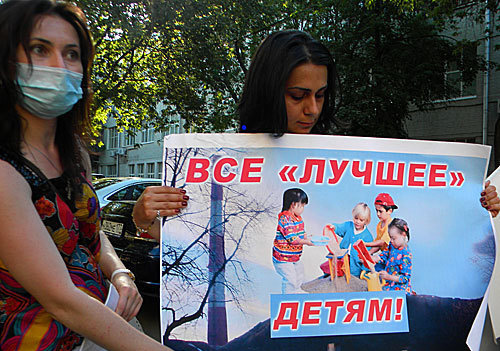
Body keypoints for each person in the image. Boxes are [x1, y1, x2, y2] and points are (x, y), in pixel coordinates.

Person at [0, 1, 224, 351]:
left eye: (72, 54)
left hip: (104, 340)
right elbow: (61, 299)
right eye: (40, 49)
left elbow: (88, 232)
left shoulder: (75, 154)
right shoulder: (5, 172)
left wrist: (120, 274)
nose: (60, 65)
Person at [132, 29, 500, 238]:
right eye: (297, 96)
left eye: (321, 96)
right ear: (267, 90)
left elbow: (418, 201)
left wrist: (477, 202)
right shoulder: (220, 164)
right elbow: (180, 252)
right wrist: (143, 215)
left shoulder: (346, 155)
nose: (312, 109)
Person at [273, 188, 314, 293]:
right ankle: (288, 296)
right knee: (290, 278)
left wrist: (307, 237)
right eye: (302, 206)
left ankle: (297, 290)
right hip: (282, 258)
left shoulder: (298, 218)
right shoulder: (285, 219)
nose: (303, 209)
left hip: (293, 256)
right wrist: (306, 242)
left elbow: (301, 233)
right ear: (293, 204)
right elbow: (293, 239)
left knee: (299, 272)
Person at [320, 202, 374, 277]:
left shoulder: (367, 236)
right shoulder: (349, 225)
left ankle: (341, 274)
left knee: (346, 272)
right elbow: (339, 227)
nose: (357, 222)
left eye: (361, 220)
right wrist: (334, 227)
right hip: (342, 257)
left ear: (366, 221)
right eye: (356, 218)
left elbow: (367, 256)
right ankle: (331, 275)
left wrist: (365, 271)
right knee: (327, 266)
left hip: (354, 265)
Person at [372, 218, 412, 294]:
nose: (391, 240)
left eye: (393, 238)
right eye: (390, 238)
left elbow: (405, 278)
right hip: (388, 287)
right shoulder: (391, 245)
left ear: (403, 235)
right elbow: (383, 256)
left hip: (400, 292)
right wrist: (374, 258)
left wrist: (389, 277)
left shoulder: (406, 254)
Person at [365, 193, 397, 257]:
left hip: (393, 257)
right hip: (385, 255)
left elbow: (382, 242)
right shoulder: (379, 225)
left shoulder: (391, 225)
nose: (378, 214)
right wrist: (369, 253)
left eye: (380, 211)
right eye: (376, 211)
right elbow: (378, 245)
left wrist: (366, 244)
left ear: (389, 211)